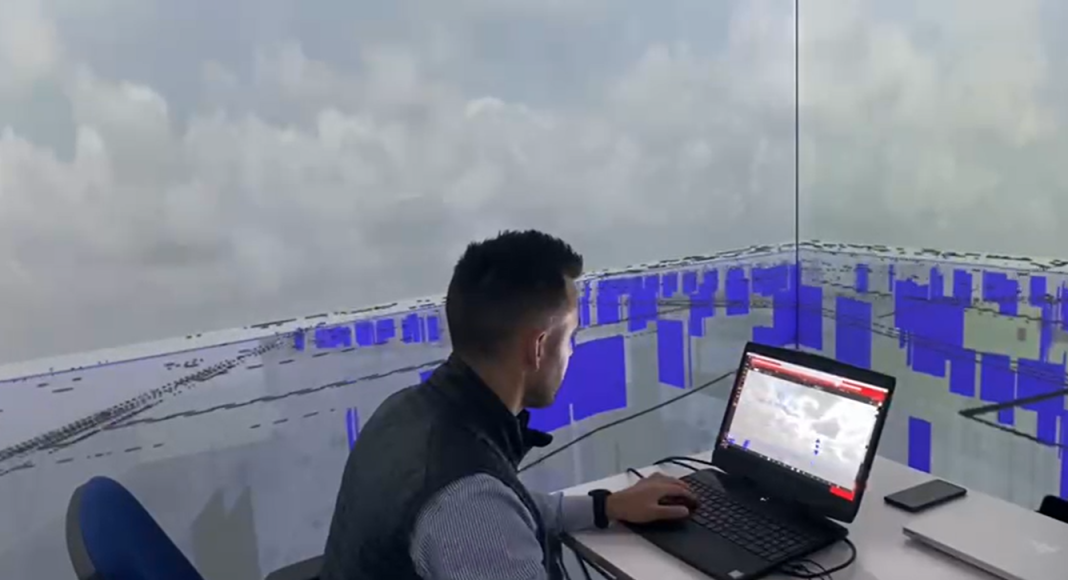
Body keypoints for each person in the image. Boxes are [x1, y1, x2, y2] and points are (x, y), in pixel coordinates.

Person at [320, 229, 697, 580]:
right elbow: (483, 513)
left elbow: (513, 507)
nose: (571, 352)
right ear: (538, 347)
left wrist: (607, 506)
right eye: (570, 337)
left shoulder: (406, 411)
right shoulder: (469, 501)